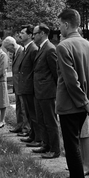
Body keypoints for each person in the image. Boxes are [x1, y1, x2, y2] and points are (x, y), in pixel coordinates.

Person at [56, 9, 89, 178]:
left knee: (71, 143)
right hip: (84, 104)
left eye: (60, 24)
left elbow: (70, 80)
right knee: (74, 140)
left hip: (70, 104)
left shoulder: (63, 46)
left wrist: (84, 102)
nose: (59, 28)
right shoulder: (88, 45)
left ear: (67, 24)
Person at [32, 23, 60, 159]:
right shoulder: (41, 48)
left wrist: (54, 91)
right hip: (39, 91)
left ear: (42, 33)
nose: (33, 36)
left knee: (50, 121)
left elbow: (56, 73)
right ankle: (46, 145)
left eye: (35, 33)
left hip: (48, 92)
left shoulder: (50, 49)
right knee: (41, 120)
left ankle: (55, 149)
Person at [18, 24, 42, 148]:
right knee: (28, 113)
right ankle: (32, 135)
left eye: (22, 33)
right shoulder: (26, 48)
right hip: (25, 87)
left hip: (30, 88)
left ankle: (38, 138)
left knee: (33, 114)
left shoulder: (33, 49)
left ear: (30, 35)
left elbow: (34, 70)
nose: (20, 35)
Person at [2, 36, 28, 134]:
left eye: (8, 48)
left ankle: (26, 128)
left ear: (12, 45)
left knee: (24, 108)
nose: (8, 50)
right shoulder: (15, 52)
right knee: (18, 107)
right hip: (16, 85)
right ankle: (19, 125)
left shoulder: (22, 51)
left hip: (22, 84)